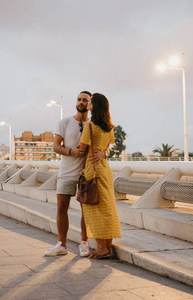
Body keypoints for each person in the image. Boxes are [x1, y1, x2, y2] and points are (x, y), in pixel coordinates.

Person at [44, 91, 107, 257]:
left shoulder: (94, 125)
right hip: (66, 172)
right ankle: (61, 244)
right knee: (61, 206)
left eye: (85, 100)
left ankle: (84, 243)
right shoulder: (65, 122)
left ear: (90, 104)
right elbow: (56, 147)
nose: (81, 102)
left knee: (86, 210)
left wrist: (104, 153)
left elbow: (105, 145)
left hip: (86, 174)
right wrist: (71, 151)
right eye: (79, 99)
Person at [78, 93, 122, 259]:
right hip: (105, 170)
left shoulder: (90, 126)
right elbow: (107, 148)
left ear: (94, 106)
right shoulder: (109, 127)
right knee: (108, 208)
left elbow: (82, 148)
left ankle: (102, 248)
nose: (87, 104)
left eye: (89, 102)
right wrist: (104, 153)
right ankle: (107, 246)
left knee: (93, 209)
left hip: (92, 170)